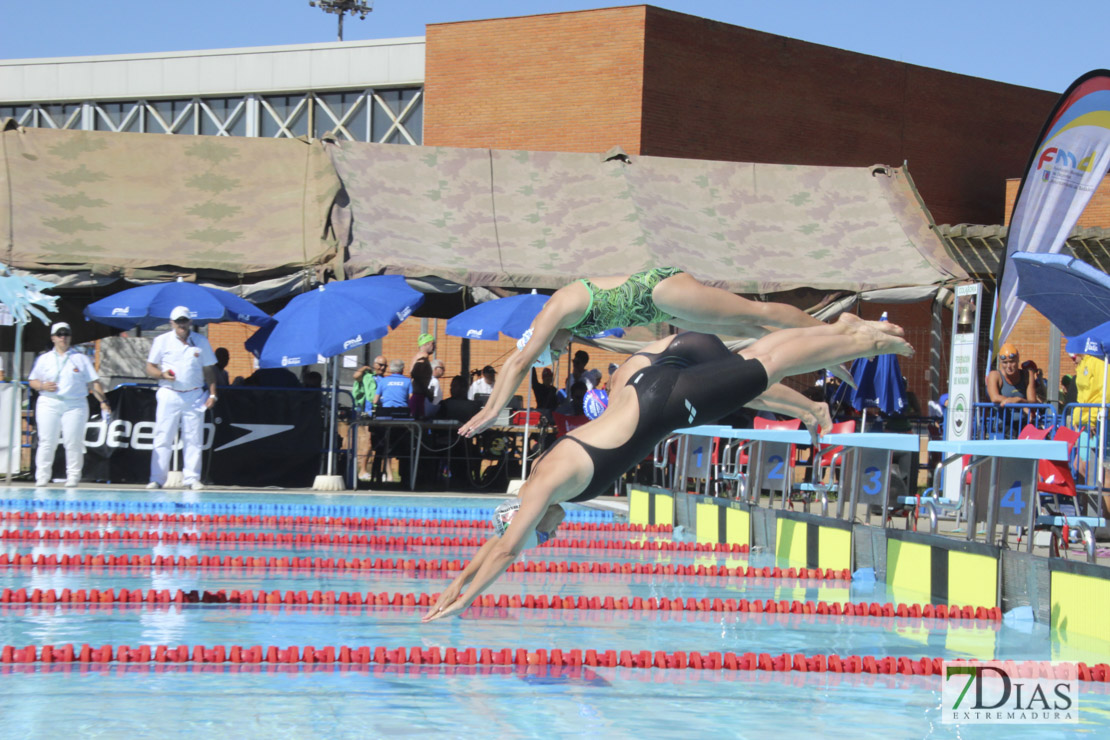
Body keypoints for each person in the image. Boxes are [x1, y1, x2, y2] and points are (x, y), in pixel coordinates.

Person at [423, 315, 912, 621]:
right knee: (749, 375)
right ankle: (825, 372)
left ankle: (858, 339)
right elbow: (501, 540)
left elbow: (507, 548)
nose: (549, 535)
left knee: (764, 362)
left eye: (541, 534)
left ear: (526, 515)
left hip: (666, 395)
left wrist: (466, 601)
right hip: (653, 374)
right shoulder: (542, 489)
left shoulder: (545, 486)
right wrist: (456, 583)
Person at [458, 268, 848, 438]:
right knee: (748, 331)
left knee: (757, 315)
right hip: (665, 308)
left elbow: (519, 360)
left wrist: (492, 410)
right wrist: (495, 404)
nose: (560, 351)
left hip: (660, 291)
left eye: (553, 350)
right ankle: (827, 346)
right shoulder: (560, 326)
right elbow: (517, 359)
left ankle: (837, 333)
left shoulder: (556, 309)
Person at [28, 322, 110, 487]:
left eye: (66, 334)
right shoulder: (44, 359)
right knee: (47, 441)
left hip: (75, 404)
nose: (63, 337)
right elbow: (33, 380)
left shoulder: (80, 358)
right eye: (59, 334)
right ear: (53, 338)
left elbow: (94, 382)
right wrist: (42, 386)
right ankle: (42, 476)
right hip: (49, 402)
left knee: (73, 441)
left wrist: (103, 402)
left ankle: (73, 476)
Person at [144, 306, 218, 491]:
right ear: (171, 323)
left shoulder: (200, 341)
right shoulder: (162, 341)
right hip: (169, 393)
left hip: (194, 395)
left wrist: (213, 393)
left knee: (193, 438)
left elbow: (209, 369)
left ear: (190, 322)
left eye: (184, 321)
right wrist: (162, 374)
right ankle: (157, 479)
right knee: (163, 437)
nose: (181, 325)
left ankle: (192, 478)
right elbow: (149, 367)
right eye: (178, 321)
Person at [985, 342, 1036, 437]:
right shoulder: (995, 375)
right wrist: (1019, 403)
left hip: (1023, 424)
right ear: (1001, 363)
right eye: (1005, 362)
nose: (1009, 366)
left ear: (1018, 360)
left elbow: (1033, 402)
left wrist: (1019, 400)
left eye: (1012, 361)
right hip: (1003, 425)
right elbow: (994, 398)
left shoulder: (1027, 375)